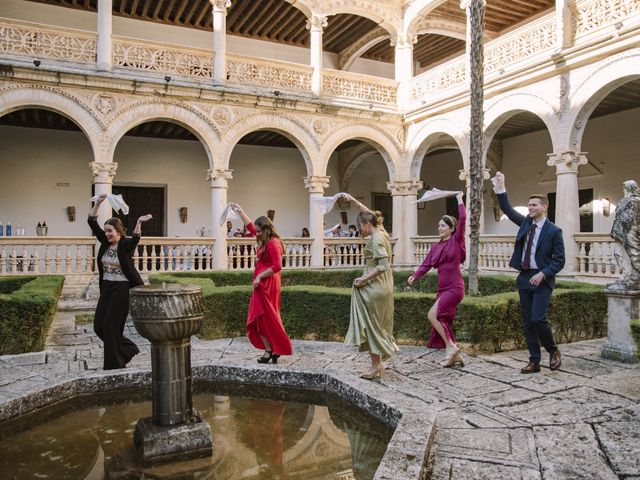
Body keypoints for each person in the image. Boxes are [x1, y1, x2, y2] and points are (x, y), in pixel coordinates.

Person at [493, 171, 564, 374]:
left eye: (534, 205)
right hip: (524, 277)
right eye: (529, 204)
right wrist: (501, 185)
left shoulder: (554, 231)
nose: (530, 207)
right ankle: (534, 361)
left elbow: (560, 260)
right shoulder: (525, 223)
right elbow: (506, 208)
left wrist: (543, 273)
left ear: (544, 207)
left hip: (542, 279)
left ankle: (553, 350)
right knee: (527, 322)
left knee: (538, 318)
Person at [88, 194, 152, 370]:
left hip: (122, 289)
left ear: (119, 231)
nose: (107, 233)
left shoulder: (125, 244)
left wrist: (138, 222)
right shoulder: (105, 243)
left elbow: (136, 239)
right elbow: (92, 222)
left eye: (110, 231)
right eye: (106, 230)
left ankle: (114, 365)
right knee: (99, 326)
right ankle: (128, 349)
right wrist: (99, 203)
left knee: (110, 325)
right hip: (106, 288)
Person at [408, 192, 466, 368]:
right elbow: (426, 265)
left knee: (432, 315)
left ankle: (451, 347)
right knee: (441, 319)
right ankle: (454, 355)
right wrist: (414, 276)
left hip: (455, 287)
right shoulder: (435, 247)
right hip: (442, 288)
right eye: (439, 225)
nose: (439, 228)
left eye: (443, 225)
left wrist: (459, 199)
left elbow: (463, 218)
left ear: (451, 228)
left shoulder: (457, 240)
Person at [231, 203, 292, 363]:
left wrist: (259, 277)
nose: (256, 234)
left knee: (265, 316)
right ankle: (272, 348)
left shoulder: (273, 243)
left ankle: (271, 349)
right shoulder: (265, 239)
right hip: (262, 283)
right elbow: (251, 226)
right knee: (261, 317)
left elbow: (277, 266)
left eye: (259, 231)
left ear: (266, 229)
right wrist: (240, 211)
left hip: (268, 284)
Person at [344, 196, 397, 380]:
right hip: (385, 286)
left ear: (367, 224)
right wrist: (353, 201)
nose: (359, 230)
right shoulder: (381, 231)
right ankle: (379, 361)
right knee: (378, 325)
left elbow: (383, 266)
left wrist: (362, 280)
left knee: (372, 327)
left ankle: (375, 366)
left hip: (375, 287)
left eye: (360, 226)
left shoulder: (375, 239)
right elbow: (372, 215)